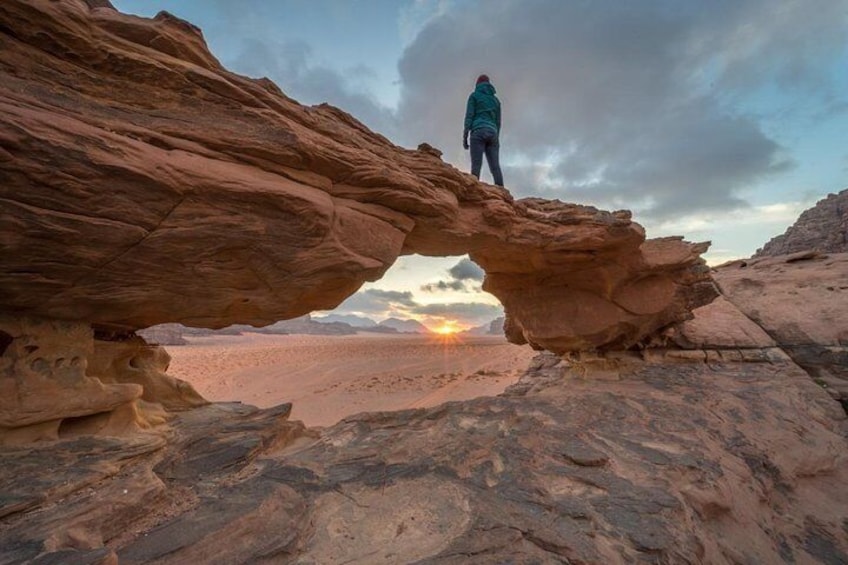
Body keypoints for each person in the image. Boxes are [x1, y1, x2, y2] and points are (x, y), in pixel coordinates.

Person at [463, 74, 504, 186]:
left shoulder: (474, 96)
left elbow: (469, 116)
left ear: (477, 84)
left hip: (478, 131)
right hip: (493, 133)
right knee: (495, 167)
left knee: (476, 165)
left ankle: (473, 193)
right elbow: (498, 122)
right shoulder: (496, 101)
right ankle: (503, 197)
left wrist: (465, 136)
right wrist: (496, 136)